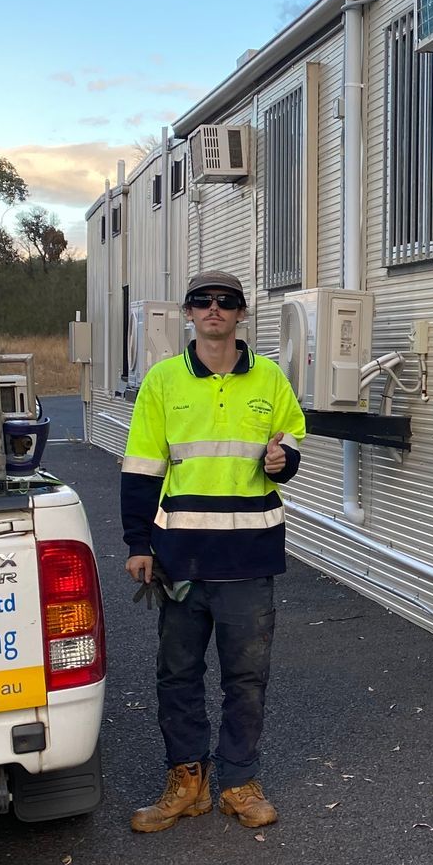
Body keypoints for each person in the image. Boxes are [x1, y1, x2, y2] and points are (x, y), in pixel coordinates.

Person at [120, 270, 306, 832]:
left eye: (226, 303)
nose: (214, 310)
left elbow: (290, 439)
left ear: (242, 314)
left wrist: (283, 461)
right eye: (203, 302)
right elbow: (140, 469)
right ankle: (187, 783)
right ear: (189, 313)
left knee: (246, 678)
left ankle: (238, 782)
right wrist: (138, 543)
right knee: (177, 674)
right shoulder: (163, 382)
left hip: (249, 560)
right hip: (181, 558)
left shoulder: (270, 379)